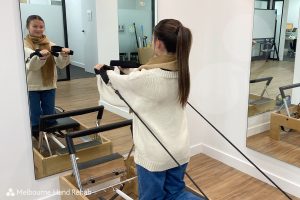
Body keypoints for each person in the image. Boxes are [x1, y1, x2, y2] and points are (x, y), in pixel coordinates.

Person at [95, 19, 203, 199]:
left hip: (155, 157)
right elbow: (144, 83)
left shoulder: (146, 78)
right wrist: (129, 72)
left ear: (158, 43)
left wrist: (102, 72)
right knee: (176, 194)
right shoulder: (182, 72)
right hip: (179, 150)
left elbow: (118, 90)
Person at [24, 15, 71, 138]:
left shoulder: (50, 44)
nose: (39, 29)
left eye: (41, 26)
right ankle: (37, 137)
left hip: (49, 84)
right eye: (35, 26)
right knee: (35, 115)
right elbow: (32, 66)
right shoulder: (25, 45)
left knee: (50, 114)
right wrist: (41, 56)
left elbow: (61, 65)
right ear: (28, 27)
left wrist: (64, 55)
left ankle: (50, 133)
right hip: (32, 86)